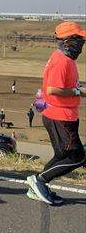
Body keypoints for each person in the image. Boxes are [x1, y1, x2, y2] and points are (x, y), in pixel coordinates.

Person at [26, 21, 85, 206]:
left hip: (61, 115)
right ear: (67, 42)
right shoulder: (62, 61)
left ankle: (37, 187)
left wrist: (79, 88)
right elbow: (53, 89)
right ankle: (39, 181)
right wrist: (79, 92)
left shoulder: (64, 58)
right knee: (77, 157)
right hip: (60, 117)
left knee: (61, 156)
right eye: (78, 40)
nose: (81, 44)